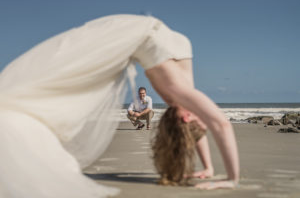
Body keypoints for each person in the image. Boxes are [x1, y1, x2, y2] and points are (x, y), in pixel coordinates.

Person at [0, 14, 239, 198]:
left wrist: (222, 174)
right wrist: (220, 173)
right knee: (63, 57)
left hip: (145, 34)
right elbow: (210, 126)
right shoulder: (183, 98)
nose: (203, 120)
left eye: (199, 122)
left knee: (62, 63)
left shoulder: (179, 94)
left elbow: (218, 124)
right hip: (149, 34)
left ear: (185, 118)